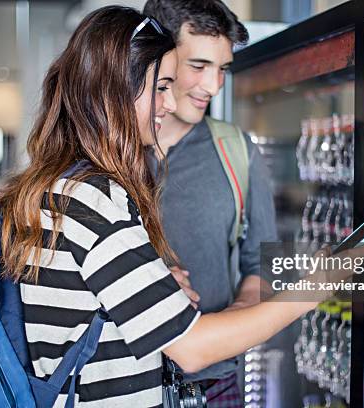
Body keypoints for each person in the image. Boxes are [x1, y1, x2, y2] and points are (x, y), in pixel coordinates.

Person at [0, 6, 364, 407]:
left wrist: (156, 283)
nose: (170, 102)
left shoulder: (64, 186)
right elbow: (191, 348)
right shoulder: (94, 200)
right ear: (118, 88)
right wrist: (316, 288)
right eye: (161, 85)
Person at [142, 0, 275, 403]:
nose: (214, 86)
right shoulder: (104, 159)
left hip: (217, 387)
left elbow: (261, 264)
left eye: (223, 70)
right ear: (158, 59)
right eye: (199, 66)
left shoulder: (236, 151)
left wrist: (236, 317)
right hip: (127, 388)